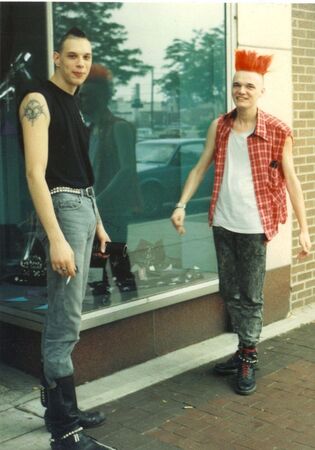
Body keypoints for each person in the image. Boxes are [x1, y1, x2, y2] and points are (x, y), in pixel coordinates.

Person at [171, 49, 312, 396]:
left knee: (250, 294)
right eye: (237, 85)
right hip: (222, 221)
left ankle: (249, 354)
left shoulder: (278, 131)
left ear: (261, 91)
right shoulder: (220, 126)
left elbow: (293, 180)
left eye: (249, 86)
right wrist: (181, 203)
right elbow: (201, 165)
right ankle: (243, 348)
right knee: (230, 291)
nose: (242, 91)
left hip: (254, 225)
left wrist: (305, 229)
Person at [19, 27, 116, 450]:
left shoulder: (74, 105)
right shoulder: (38, 100)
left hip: (82, 209)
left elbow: (80, 172)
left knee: (67, 315)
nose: (80, 64)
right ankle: (65, 433)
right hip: (62, 211)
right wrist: (56, 237)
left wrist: (97, 221)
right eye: (72, 56)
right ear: (56, 58)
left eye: (86, 57)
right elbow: (35, 174)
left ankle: (62, 410)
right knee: (64, 321)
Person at [80, 64, 141, 305]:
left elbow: (127, 171)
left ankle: (131, 314)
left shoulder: (119, 127)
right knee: (96, 268)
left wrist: (99, 200)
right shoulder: (90, 129)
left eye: (87, 96)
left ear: (102, 98)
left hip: (112, 211)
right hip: (95, 210)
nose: (82, 101)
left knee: (118, 264)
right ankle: (102, 308)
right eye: (81, 96)